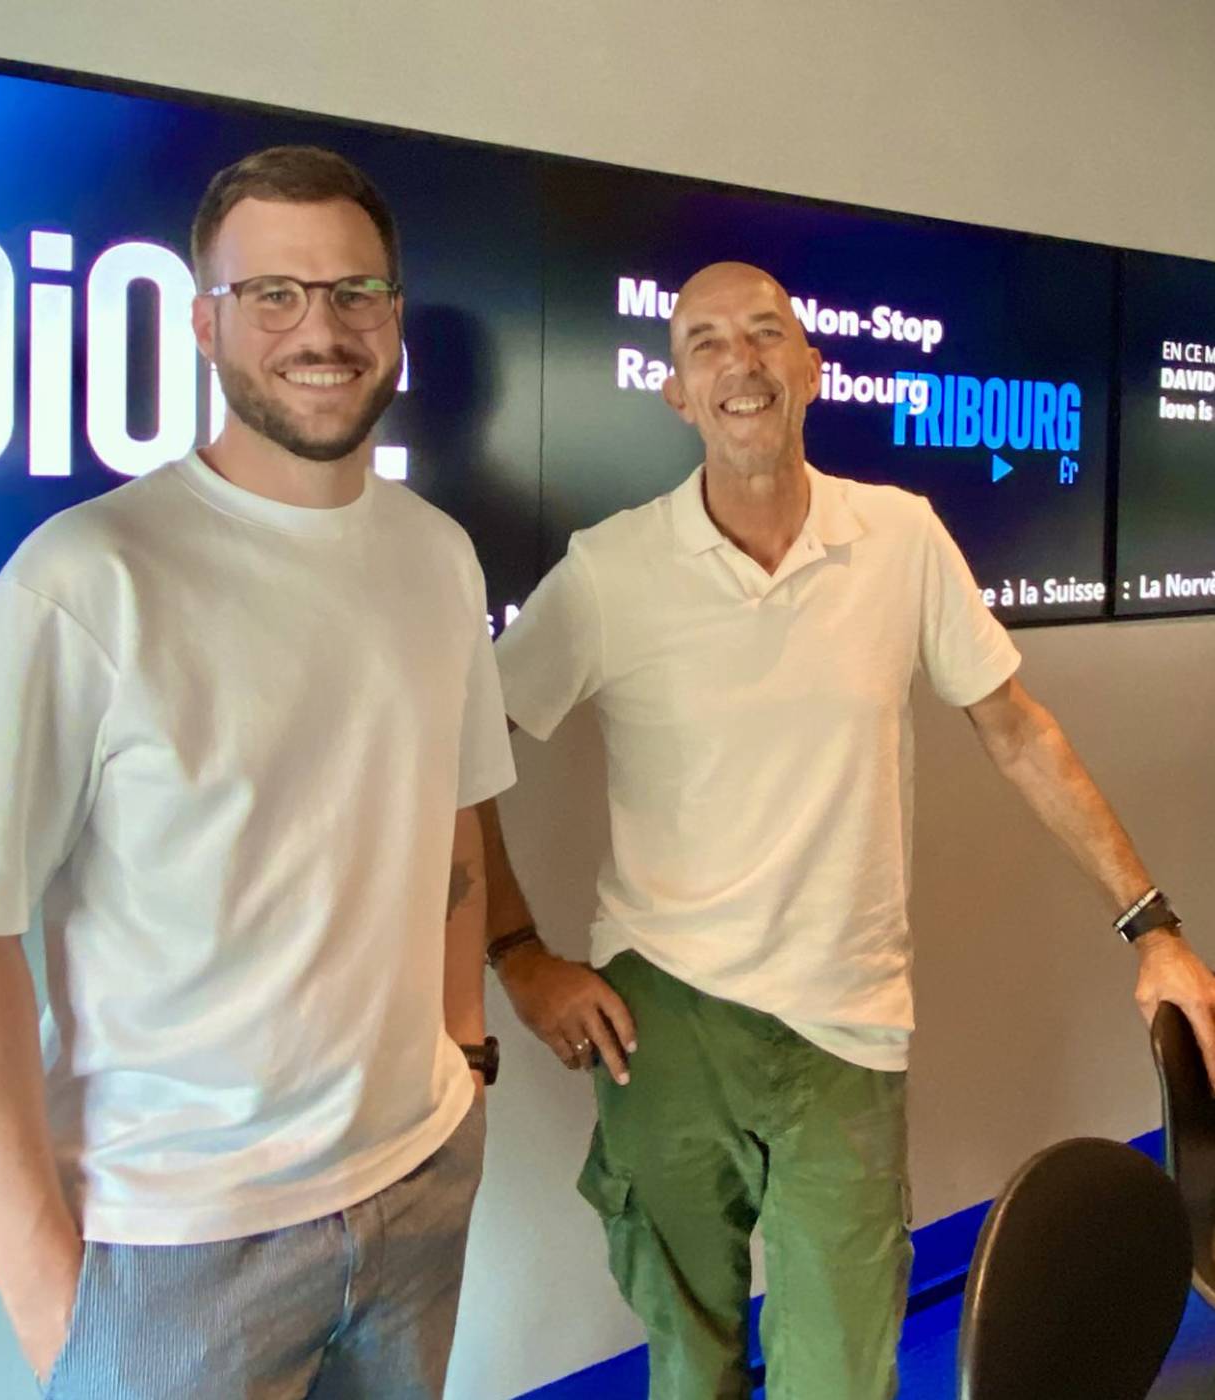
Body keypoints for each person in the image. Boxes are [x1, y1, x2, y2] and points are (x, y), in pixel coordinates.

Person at [479, 260, 1215, 1399]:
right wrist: (517, 956)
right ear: (675, 392)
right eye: (705, 342)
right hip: (664, 1022)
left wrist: (1151, 926)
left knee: (840, 1372)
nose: (740, 361)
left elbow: (1018, 734)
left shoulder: (900, 536)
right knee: (690, 1368)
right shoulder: (610, 569)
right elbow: (463, 755)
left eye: (765, 332)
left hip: (846, 1029)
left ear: (813, 367)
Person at [0, 145, 514, 1400]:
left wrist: (464, 1053)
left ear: (394, 315)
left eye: (353, 291)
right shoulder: (85, 577)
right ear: (202, 323)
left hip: (415, 1185)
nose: (319, 329)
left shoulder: (438, 555)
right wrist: (41, 1282)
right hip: (175, 1243)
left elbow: (452, 811)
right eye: (271, 294)